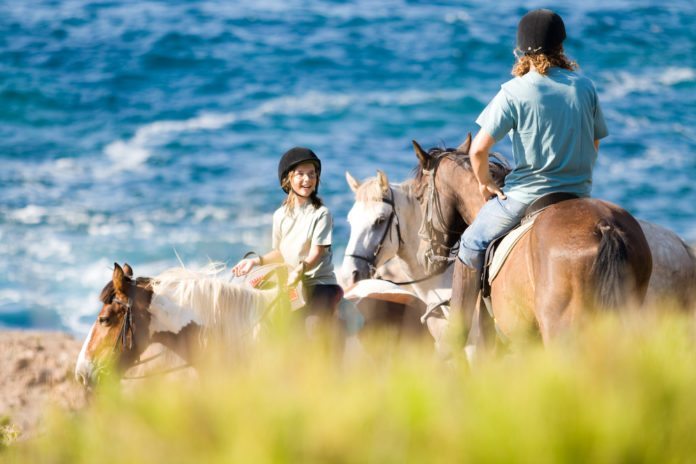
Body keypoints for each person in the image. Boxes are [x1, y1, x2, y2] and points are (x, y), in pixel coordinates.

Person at [454, 9, 609, 328]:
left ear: (521, 51)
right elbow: (595, 143)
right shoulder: (584, 87)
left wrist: (485, 184)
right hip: (579, 194)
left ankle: (454, 340)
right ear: (561, 47)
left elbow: (479, 149)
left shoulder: (514, 91)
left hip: (528, 197)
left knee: (472, 242)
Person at [231, 147, 344, 332]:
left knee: (312, 328)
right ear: (288, 179)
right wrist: (255, 261)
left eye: (312, 174)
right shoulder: (279, 215)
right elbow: (279, 253)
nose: (307, 179)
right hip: (291, 283)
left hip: (318, 284)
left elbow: (317, 251)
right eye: (300, 174)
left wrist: (299, 271)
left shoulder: (322, 214)